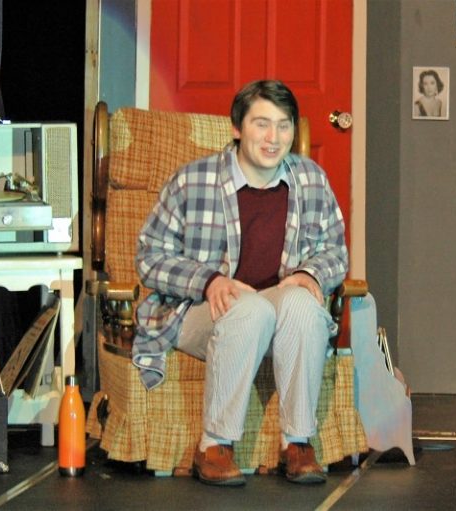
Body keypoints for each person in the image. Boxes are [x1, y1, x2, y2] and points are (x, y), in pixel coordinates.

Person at [133, 80, 348, 486]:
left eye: (283, 125)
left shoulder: (311, 179)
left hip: (277, 307)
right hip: (202, 310)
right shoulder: (192, 181)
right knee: (250, 310)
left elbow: (335, 252)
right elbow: (149, 257)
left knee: (302, 303)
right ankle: (214, 445)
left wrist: (309, 274)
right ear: (237, 128)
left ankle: (297, 443)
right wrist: (208, 280)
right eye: (261, 124)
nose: (273, 138)